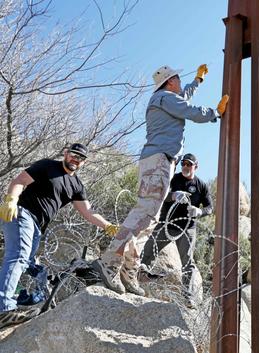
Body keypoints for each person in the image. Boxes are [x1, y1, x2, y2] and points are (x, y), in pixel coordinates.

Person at [93, 64, 228, 296]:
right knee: (145, 213)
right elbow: (189, 110)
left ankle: (129, 270)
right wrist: (214, 113)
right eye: (178, 78)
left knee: (150, 219)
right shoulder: (165, 98)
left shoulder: (165, 98)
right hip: (158, 162)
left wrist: (197, 81)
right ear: (170, 81)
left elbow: (183, 96)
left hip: (160, 162)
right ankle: (109, 261)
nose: (179, 81)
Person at [0, 143, 119, 329]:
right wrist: (11, 200)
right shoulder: (48, 165)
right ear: (65, 153)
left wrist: (108, 226)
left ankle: (22, 298)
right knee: (18, 256)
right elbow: (19, 181)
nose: (75, 160)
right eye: (73, 155)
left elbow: (88, 212)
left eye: (80, 158)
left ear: (84, 162)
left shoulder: (76, 185)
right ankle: (3, 308)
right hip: (21, 214)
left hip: (38, 227)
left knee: (33, 267)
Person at [141, 153, 213, 306]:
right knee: (148, 250)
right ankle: (137, 280)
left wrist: (199, 212)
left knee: (187, 263)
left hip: (187, 228)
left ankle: (187, 296)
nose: (186, 166)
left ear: (196, 167)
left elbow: (209, 207)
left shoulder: (201, 185)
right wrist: (173, 195)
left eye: (189, 164)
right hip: (167, 223)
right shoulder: (173, 178)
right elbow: (160, 193)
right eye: (184, 164)